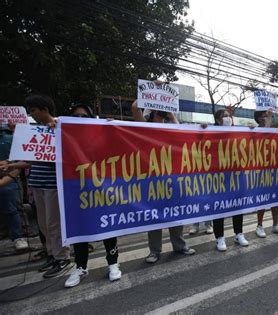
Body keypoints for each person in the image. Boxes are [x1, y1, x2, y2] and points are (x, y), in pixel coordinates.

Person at [6, 95, 72, 278]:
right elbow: (32, 160)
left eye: (34, 110)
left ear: (44, 109)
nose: (32, 115)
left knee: (54, 223)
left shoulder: (58, 127)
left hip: (52, 184)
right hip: (37, 184)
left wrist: (57, 125)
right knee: (44, 224)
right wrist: (12, 165)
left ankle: (62, 258)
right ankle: (52, 254)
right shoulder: (36, 131)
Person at [131, 98, 195, 263]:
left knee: (175, 215)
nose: (160, 114)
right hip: (152, 181)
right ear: (151, 112)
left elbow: (180, 130)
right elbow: (134, 107)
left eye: (162, 112)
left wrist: (169, 110)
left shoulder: (170, 127)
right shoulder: (144, 127)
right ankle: (154, 251)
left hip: (172, 179)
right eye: (157, 111)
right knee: (154, 217)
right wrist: (150, 92)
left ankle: (179, 246)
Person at [65, 103, 121, 287]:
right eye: (76, 117)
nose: (80, 120)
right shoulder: (64, 136)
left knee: (108, 227)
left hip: (103, 188)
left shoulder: (102, 135)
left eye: (84, 117)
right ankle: (81, 267)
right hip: (78, 190)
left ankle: (113, 263)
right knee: (80, 228)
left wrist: (115, 126)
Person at [205, 109, 248, 251]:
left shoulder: (237, 133)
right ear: (217, 120)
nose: (228, 118)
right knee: (219, 206)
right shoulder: (211, 133)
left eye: (229, 116)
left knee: (237, 204)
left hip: (235, 175)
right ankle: (220, 237)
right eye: (225, 116)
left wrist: (252, 130)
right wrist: (202, 129)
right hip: (218, 176)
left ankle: (238, 233)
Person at [253, 110, 278, 237]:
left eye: (268, 116)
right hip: (261, 171)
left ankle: (275, 224)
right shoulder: (254, 131)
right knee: (262, 199)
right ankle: (259, 226)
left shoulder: (274, 131)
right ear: (258, 119)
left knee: (274, 198)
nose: (267, 118)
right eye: (264, 116)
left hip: (274, 170)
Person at [0, 122, 28, 250]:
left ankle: (18, 237)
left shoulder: (9, 138)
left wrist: (11, 174)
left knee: (11, 209)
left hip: (7, 180)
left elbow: (22, 159)